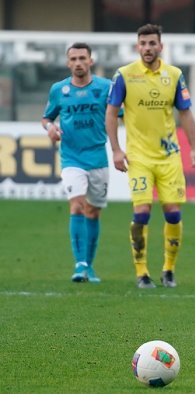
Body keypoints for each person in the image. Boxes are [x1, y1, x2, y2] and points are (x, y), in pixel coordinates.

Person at [106, 23, 195, 289]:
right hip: (138, 157)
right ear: (138, 46)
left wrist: (194, 147)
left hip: (169, 155)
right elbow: (112, 113)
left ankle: (168, 270)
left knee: (172, 213)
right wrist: (116, 149)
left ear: (161, 46)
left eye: (152, 43)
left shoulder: (174, 75)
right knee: (142, 212)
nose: (147, 48)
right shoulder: (124, 75)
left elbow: (185, 112)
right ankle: (141, 272)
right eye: (143, 44)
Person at [42, 42, 112, 284]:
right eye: (74, 59)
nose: (78, 63)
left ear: (91, 61)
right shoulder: (58, 90)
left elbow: (120, 114)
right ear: (67, 63)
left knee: (93, 211)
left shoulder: (105, 87)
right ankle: (79, 264)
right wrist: (50, 127)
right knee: (77, 206)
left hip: (98, 158)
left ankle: (89, 266)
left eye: (83, 58)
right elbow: (46, 117)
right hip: (72, 158)